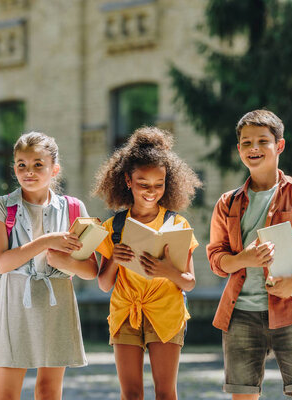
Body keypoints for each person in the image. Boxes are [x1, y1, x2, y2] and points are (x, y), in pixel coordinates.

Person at [207, 109, 292, 399]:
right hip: (240, 313)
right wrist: (244, 259)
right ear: (239, 148)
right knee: (243, 395)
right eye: (246, 143)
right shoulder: (227, 203)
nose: (253, 148)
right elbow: (217, 259)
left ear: (279, 145)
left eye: (262, 141)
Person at [0, 131, 98, 400]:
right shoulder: (1, 206)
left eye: (38, 164)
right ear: (14, 167)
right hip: (15, 300)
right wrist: (46, 242)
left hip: (57, 301)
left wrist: (61, 260)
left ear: (54, 169)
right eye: (21, 164)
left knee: (48, 391)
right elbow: (1, 263)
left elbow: (91, 270)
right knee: (6, 393)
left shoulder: (73, 208)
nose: (28, 171)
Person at [93, 126, 201, 400]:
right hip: (125, 314)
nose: (151, 191)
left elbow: (189, 281)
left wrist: (166, 270)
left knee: (165, 393)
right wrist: (115, 259)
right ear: (128, 180)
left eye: (158, 184)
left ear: (168, 181)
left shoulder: (177, 224)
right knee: (130, 394)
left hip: (166, 313)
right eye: (143, 184)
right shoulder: (113, 226)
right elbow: (105, 284)